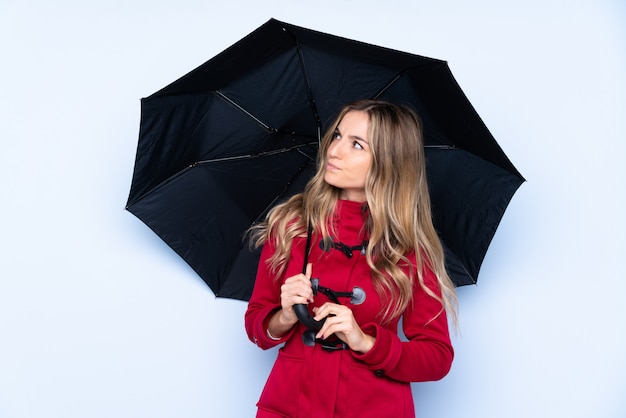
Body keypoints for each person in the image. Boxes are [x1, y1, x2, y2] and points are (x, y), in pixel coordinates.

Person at [245, 99, 457, 418]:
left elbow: (437, 357)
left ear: (389, 162)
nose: (335, 150)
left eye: (356, 144)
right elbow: (256, 325)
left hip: (373, 407)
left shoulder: (411, 249)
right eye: (337, 136)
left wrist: (365, 341)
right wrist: (286, 315)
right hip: (290, 405)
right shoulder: (292, 224)